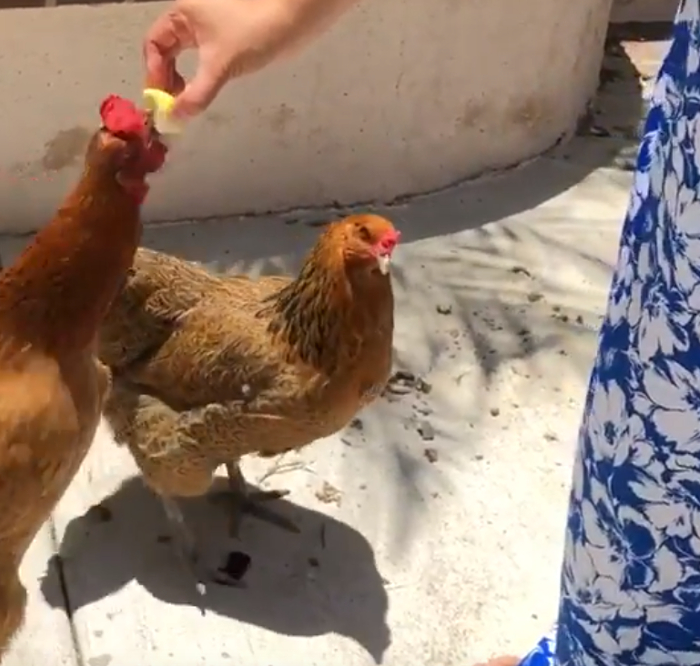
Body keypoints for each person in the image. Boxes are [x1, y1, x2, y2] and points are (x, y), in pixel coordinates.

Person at [142, 0, 700, 664]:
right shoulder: (269, 350)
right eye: (372, 242)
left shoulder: (349, 343)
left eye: (387, 248)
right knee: (649, 482)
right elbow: (152, 393)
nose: (384, 255)